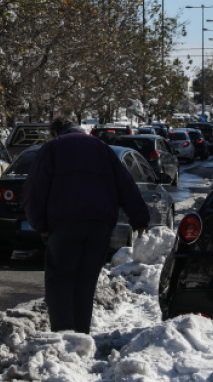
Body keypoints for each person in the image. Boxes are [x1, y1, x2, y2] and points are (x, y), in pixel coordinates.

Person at [24, 117, 150, 334]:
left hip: (64, 224)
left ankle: (63, 335)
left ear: (56, 132)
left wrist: (40, 224)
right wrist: (139, 218)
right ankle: (81, 334)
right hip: (100, 225)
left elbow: (36, 189)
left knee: (61, 279)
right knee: (86, 281)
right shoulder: (102, 148)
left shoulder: (51, 148)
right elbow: (126, 184)